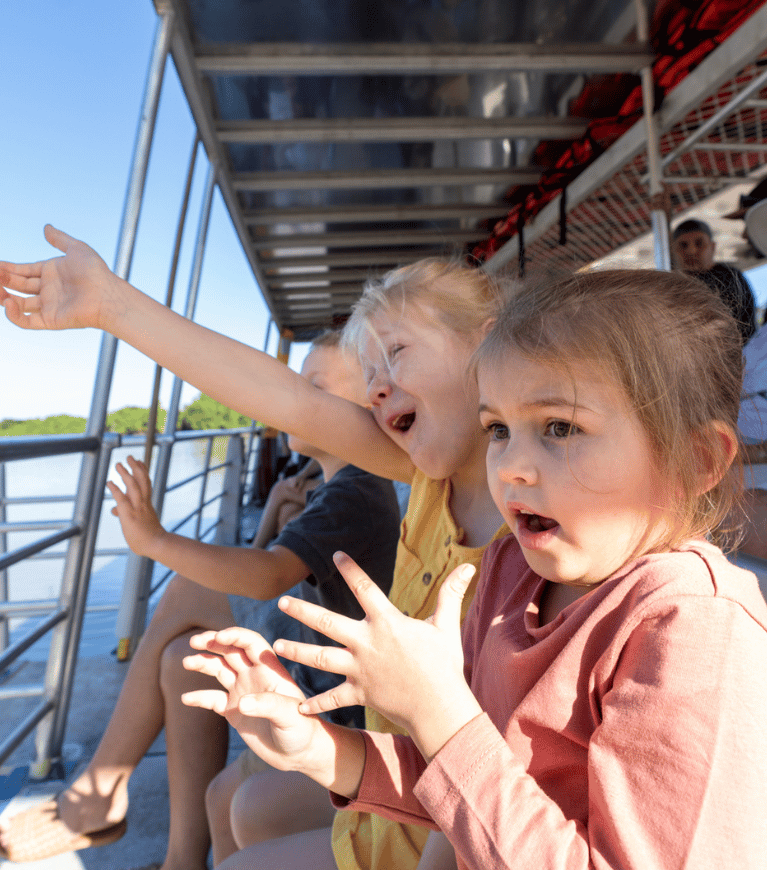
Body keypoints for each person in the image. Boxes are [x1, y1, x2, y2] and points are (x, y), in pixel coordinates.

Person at [184, 269, 767, 870]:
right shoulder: (509, 572)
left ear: (694, 461)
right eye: (498, 430)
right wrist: (319, 748)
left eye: (559, 427)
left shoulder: (693, 629)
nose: (511, 465)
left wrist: (438, 713)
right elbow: (461, 786)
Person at [0, 226, 509, 870]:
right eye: (370, 374)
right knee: (242, 808)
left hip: (450, 816)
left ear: (489, 339)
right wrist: (113, 308)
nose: (378, 389)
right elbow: (287, 399)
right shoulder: (431, 481)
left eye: (398, 353)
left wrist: (155, 541)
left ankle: (108, 797)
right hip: (391, 780)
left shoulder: (541, 528)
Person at [0, 330, 401, 869]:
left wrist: (156, 541)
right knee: (181, 659)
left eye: (312, 387)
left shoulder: (359, 486)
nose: (287, 399)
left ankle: (100, 790)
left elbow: (264, 577)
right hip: (314, 662)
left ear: (364, 405)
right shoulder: (335, 483)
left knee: (189, 589)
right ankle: (180, 860)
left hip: (336, 696)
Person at [671, 217, 756, 343]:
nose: (691, 251)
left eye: (699, 243)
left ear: (713, 247)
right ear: (674, 251)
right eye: (683, 245)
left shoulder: (728, 277)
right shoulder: (674, 284)